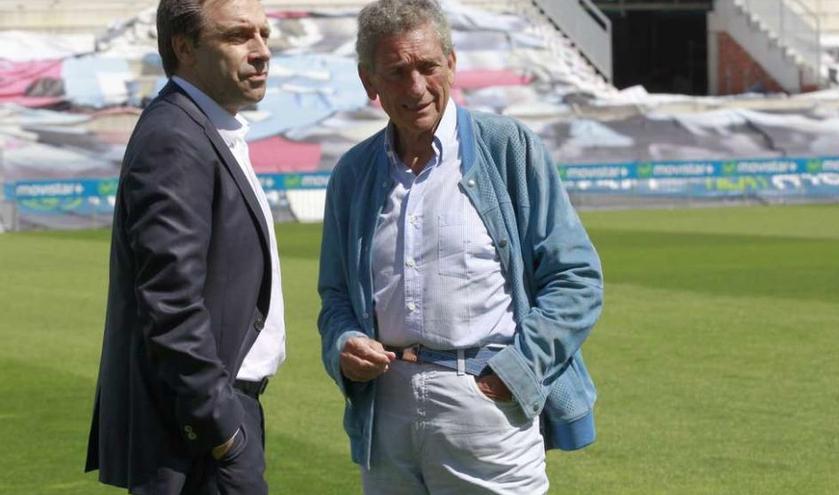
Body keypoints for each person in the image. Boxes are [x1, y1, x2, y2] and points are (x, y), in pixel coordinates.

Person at [317, 0, 604, 493]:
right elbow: (336, 297)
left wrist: (515, 370)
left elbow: (576, 279)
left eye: (428, 66)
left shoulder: (508, 147)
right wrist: (343, 345)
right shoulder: (353, 173)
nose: (415, 87)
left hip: (485, 404)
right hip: (384, 413)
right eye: (396, 71)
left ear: (451, 63)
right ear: (370, 82)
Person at [85, 0, 285, 493]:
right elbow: (171, 303)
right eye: (239, 36)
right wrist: (223, 432)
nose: (261, 52)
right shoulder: (175, 136)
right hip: (196, 437)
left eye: (264, 34)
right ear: (184, 47)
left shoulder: (204, 128)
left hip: (210, 422)